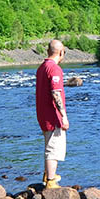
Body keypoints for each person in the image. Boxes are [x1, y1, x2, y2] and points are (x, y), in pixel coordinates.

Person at [35, 39, 69, 186]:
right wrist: (64, 116)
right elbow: (56, 93)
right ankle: (50, 180)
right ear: (61, 52)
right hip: (52, 115)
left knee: (49, 144)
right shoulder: (55, 69)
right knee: (54, 148)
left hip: (42, 113)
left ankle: (48, 174)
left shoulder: (42, 67)